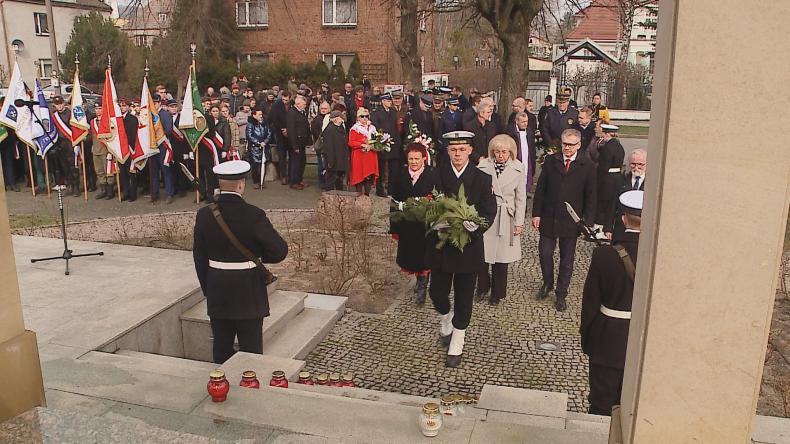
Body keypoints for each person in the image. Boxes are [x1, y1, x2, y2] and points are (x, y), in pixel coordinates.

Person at [193, 160, 288, 364]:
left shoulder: (204, 215)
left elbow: (199, 258)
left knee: (221, 348)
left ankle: (222, 388)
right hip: (248, 290)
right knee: (251, 351)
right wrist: (257, 256)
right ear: (241, 184)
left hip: (218, 289)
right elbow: (279, 251)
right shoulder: (253, 215)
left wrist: (208, 289)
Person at [427, 130, 497, 368]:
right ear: (447, 151)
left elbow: (489, 211)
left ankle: (457, 340)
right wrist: (434, 220)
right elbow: (426, 204)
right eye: (453, 149)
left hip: (468, 248)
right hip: (442, 245)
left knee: (464, 298)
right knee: (437, 293)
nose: (458, 154)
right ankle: (445, 319)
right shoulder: (436, 175)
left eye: (462, 149)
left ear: (470, 151)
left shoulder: (482, 179)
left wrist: (475, 227)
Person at [581, 190, 643, 416]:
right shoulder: (658, 255)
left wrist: (587, 340)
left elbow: (589, 304)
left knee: (601, 402)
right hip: (641, 341)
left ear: (624, 218)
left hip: (607, 339)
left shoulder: (604, 256)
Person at [532, 128, 596, 312]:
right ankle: (547, 283)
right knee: (544, 253)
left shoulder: (587, 165)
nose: (567, 148)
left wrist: (588, 222)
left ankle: (561, 293)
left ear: (579, 145)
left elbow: (591, 196)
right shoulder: (552, 161)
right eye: (564, 144)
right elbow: (541, 189)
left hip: (571, 220)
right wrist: (536, 213)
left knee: (567, 260)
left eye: (571, 145)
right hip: (549, 216)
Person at [476, 135, 527, 305]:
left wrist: (519, 222)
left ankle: (497, 293)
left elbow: (521, 197)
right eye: (497, 152)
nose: (500, 155)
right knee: (482, 255)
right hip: (487, 214)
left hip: (506, 215)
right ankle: (482, 287)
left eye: (504, 152)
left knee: (501, 258)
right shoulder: (483, 166)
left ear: (510, 152)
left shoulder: (519, 168)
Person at [389, 143, 438, 304]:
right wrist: (394, 226)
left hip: (425, 225)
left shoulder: (432, 174)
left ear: (424, 158)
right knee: (411, 255)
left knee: (424, 256)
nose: (414, 162)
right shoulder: (400, 174)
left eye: (417, 158)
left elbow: (438, 200)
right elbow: (394, 201)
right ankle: (419, 280)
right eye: (411, 159)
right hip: (407, 224)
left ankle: (423, 288)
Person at [595, 124, 625, 236]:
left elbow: (603, 166)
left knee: (602, 204)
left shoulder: (607, 148)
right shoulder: (618, 146)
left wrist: (598, 182)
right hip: (616, 177)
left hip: (606, 179)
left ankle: (600, 231)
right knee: (611, 204)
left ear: (606, 133)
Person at [372, 92, 400, 196]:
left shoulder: (393, 112)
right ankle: (380, 189)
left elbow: (395, 127)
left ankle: (391, 189)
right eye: (388, 101)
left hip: (393, 143)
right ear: (383, 101)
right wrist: (381, 140)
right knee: (381, 169)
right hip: (382, 143)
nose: (390, 102)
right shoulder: (376, 112)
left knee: (393, 169)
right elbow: (375, 129)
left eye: (390, 101)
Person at [51, 96, 80, 196]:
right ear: (54, 105)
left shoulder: (70, 114)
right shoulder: (54, 116)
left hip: (69, 142)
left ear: (64, 103)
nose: (59, 106)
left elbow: (75, 129)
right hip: (60, 143)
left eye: (60, 103)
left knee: (73, 166)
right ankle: (70, 185)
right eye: (57, 104)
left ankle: (76, 187)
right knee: (64, 166)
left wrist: (77, 143)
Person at [348, 107, 379, 195]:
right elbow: (351, 142)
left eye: (366, 116)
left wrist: (375, 145)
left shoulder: (372, 128)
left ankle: (367, 195)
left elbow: (377, 139)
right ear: (358, 118)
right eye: (362, 116)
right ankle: (359, 196)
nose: (365, 118)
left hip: (371, 155)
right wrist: (361, 144)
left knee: (369, 176)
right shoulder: (355, 129)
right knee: (359, 176)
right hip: (359, 156)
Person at [286, 95, 311, 190]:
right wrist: (294, 145)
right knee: (295, 163)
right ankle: (294, 181)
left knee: (301, 161)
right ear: (298, 104)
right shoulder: (292, 113)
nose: (305, 105)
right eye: (304, 104)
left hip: (302, 142)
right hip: (296, 143)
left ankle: (299, 179)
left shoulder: (301, 112)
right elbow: (291, 130)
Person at [321, 110, 350, 191]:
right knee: (331, 179)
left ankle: (339, 195)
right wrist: (330, 161)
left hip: (340, 158)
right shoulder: (330, 130)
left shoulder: (340, 128)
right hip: (333, 160)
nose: (342, 119)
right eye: (341, 118)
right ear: (335, 119)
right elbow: (328, 147)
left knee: (339, 179)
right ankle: (329, 196)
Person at [509, 111, 537, 193]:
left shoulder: (529, 131)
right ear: (517, 121)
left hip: (527, 157)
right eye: (523, 122)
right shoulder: (511, 132)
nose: (525, 124)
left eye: (526, 121)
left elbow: (532, 147)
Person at [267, 90, 291, 185]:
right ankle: (283, 175)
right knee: (282, 155)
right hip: (279, 133)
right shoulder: (277, 105)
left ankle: (291, 175)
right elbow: (273, 119)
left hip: (291, 132)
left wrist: (289, 129)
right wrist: (282, 129)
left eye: (287, 100)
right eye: (284, 99)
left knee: (292, 155)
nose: (285, 101)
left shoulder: (292, 105)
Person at [465, 98, 497, 163]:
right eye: (488, 112)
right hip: (475, 162)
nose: (490, 114)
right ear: (481, 113)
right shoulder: (469, 127)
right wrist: (478, 157)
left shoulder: (492, 126)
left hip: (490, 160)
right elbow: (467, 145)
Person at [246, 108, 271, 189]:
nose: (261, 116)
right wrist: (258, 143)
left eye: (261, 114)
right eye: (259, 114)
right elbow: (249, 136)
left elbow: (269, 133)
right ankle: (256, 181)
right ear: (254, 115)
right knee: (255, 166)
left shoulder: (265, 123)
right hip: (255, 149)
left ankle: (262, 181)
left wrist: (265, 142)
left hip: (264, 147)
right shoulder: (250, 124)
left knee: (264, 164)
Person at [120, 98, 139, 202]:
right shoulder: (118, 119)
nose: (122, 107)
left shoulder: (132, 119)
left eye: (124, 105)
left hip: (130, 148)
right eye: (121, 106)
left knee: (131, 172)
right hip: (121, 150)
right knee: (123, 173)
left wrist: (125, 143)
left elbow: (132, 135)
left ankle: (132, 194)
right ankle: (126, 192)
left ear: (128, 107)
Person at [1, 128, 19, 192]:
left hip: (8, 140)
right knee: (1, 166)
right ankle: (3, 185)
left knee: (9, 164)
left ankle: (12, 183)